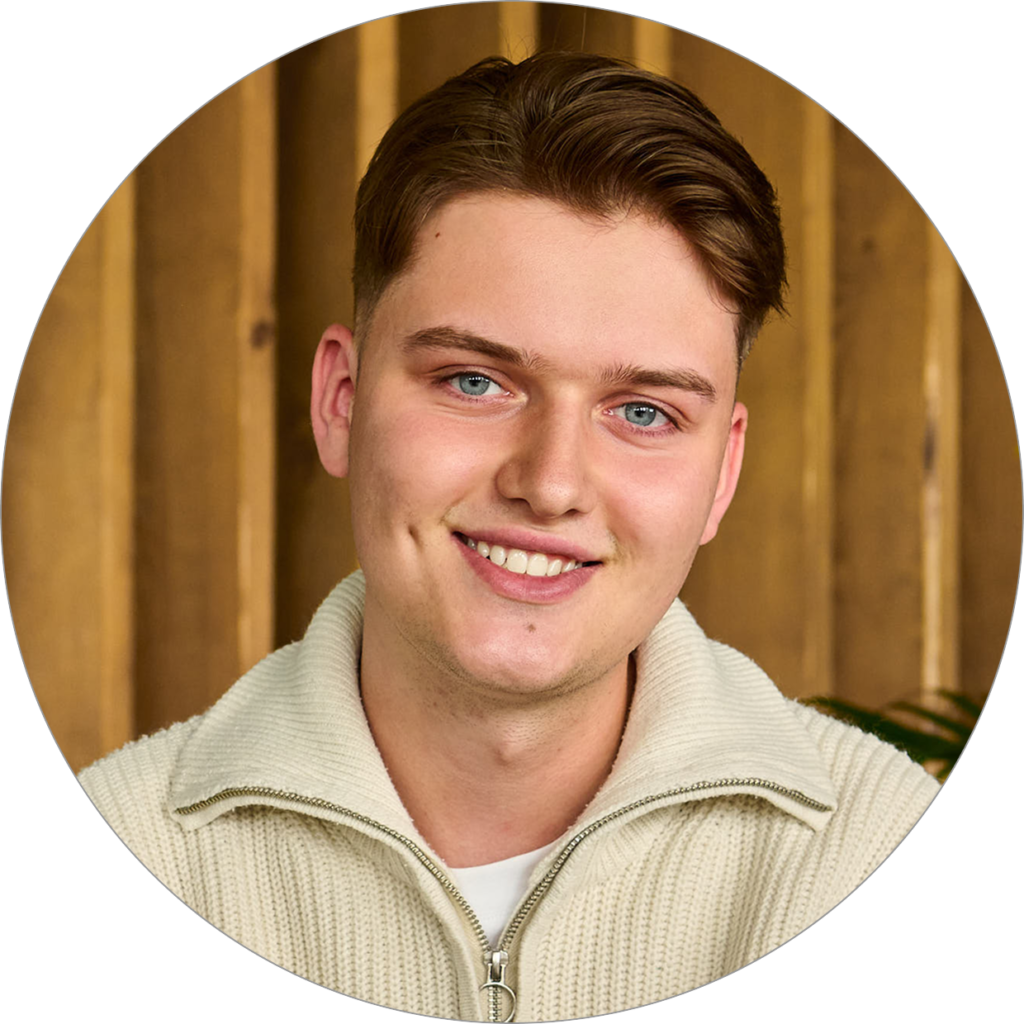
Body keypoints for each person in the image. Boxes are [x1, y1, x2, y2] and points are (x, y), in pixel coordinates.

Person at [79, 52, 940, 1020]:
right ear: (341, 402)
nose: (551, 483)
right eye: (475, 381)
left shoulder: (876, 846)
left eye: (644, 412)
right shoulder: (130, 840)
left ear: (722, 475)